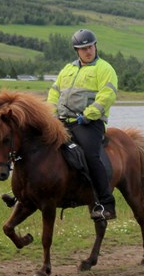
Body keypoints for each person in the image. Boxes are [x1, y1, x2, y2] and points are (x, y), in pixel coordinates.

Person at [48, 28, 119, 221]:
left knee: (90, 154)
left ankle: (107, 204)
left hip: (89, 123)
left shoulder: (104, 69)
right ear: (76, 51)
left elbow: (107, 95)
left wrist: (88, 115)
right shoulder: (67, 69)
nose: (88, 51)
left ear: (95, 46)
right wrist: (52, 114)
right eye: (83, 48)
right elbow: (54, 92)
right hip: (63, 121)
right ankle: (24, 192)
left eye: (90, 47)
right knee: (40, 145)